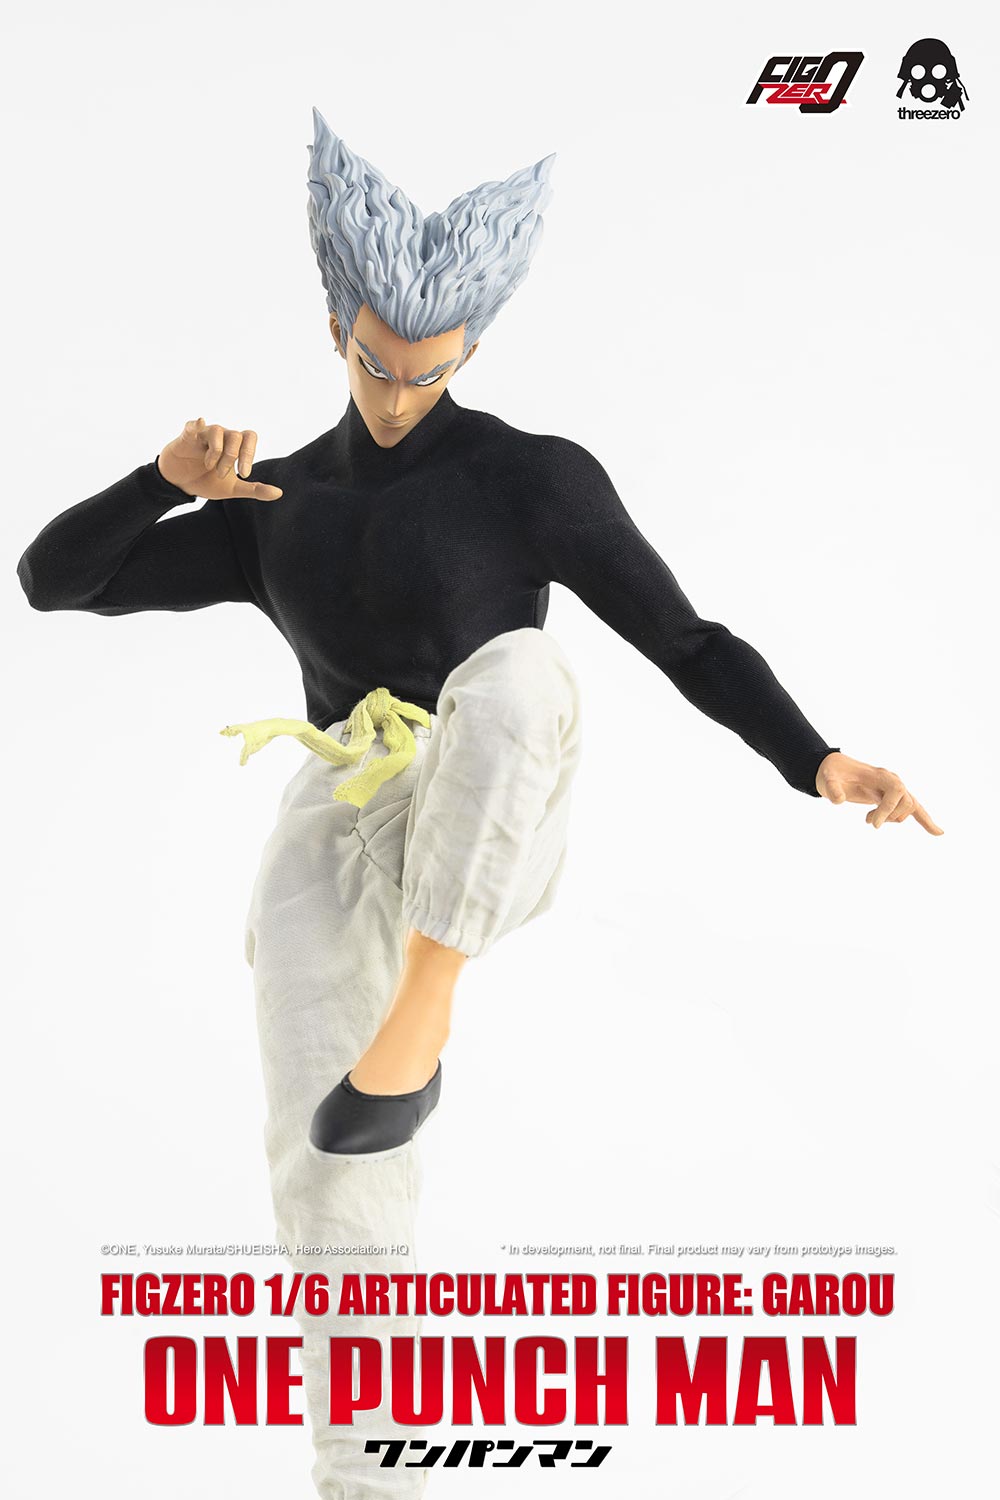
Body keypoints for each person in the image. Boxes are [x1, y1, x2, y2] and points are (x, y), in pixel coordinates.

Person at [16, 109, 942, 1498]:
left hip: (490, 790)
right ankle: (365, 1480)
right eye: (377, 363)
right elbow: (54, 583)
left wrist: (818, 760)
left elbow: (687, 641)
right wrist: (161, 483)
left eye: (429, 371)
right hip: (343, 810)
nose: (398, 396)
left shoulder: (530, 477)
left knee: (518, 668)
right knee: (325, 1165)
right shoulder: (278, 502)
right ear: (338, 325)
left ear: (470, 353)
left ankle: (427, 1003)